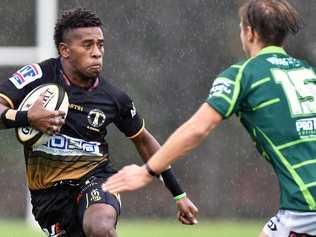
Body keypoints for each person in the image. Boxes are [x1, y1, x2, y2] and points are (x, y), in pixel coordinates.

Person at [103, 0, 316, 236]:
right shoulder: (308, 72)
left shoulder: (243, 74)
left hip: (306, 207)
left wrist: (147, 171)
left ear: (250, 32)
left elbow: (198, 128)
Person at [0, 8, 198, 237]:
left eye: (100, 45)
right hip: (48, 197)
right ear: (64, 50)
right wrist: (26, 117)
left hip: (97, 178)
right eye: (87, 45)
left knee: (101, 228)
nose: (97, 53)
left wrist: (179, 195)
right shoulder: (38, 75)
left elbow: (144, 141)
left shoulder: (114, 98)